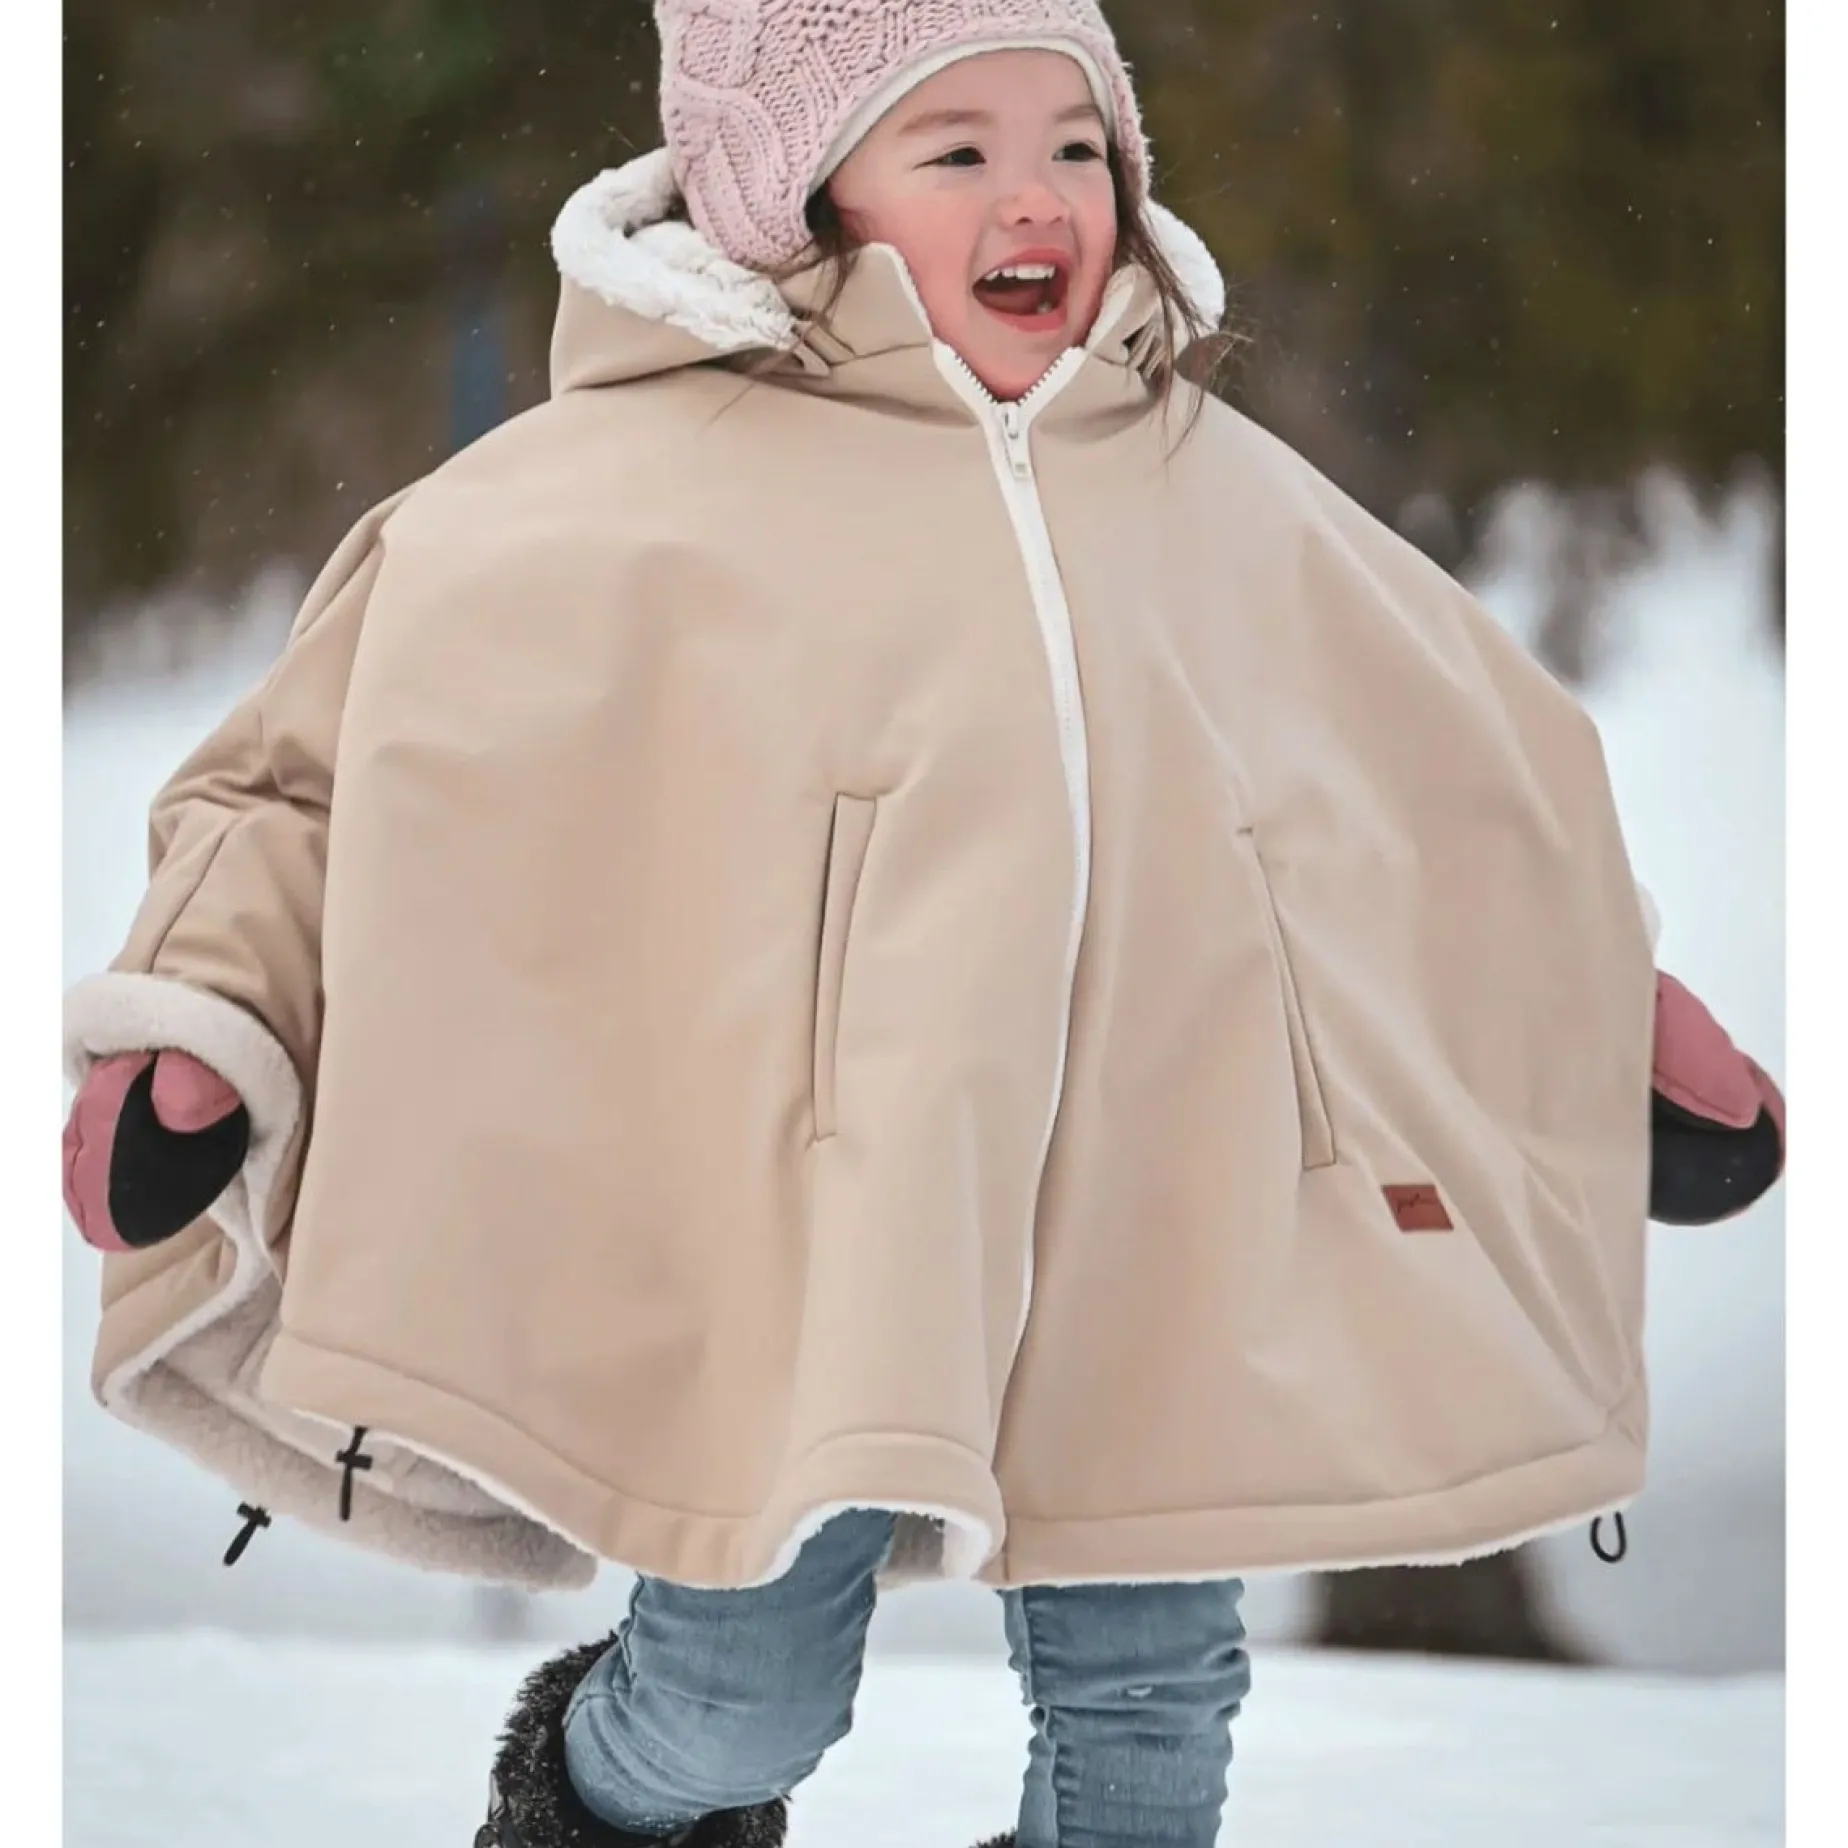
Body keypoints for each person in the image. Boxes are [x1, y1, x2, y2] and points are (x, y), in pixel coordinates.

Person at [61, 4, 1786, 1845]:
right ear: (796, 196)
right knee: (736, 1705)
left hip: (1158, 1223)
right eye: (957, 151)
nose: (1037, 198)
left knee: (1151, 1750)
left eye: (1077, 148)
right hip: (797, 1242)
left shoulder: (1207, 489)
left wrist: (1611, 1022)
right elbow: (315, 779)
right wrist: (205, 1023)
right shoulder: (613, 490)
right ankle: (583, 1806)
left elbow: (1448, 793)